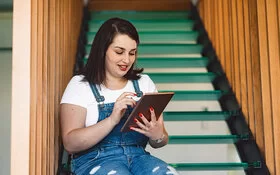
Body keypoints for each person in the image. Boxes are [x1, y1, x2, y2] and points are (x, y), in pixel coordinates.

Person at [60, 18, 178, 175]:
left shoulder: (145, 83)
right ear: (103, 50)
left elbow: (161, 141)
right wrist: (111, 120)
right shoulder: (80, 85)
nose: (127, 60)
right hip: (94, 160)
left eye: (132, 53)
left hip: (139, 158)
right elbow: (70, 143)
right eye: (119, 52)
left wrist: (157, 135)